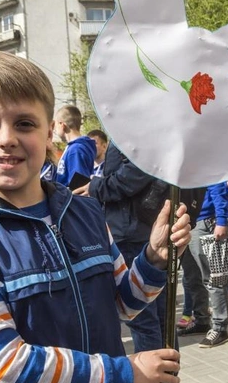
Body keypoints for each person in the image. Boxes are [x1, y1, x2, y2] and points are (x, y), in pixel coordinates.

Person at [0, 51, 191, 383]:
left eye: (24, 123)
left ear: (51, 131)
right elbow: (2, 370)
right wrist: (125, 374)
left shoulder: (86, 213)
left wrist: (154, 258)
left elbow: (121, 305)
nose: (7, 138)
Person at [74, 141, 174, 353]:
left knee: (144, 319)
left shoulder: (137, 127)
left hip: (132, 231)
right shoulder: (139, 126)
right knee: (159, 317)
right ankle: (165, 380)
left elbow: (137, 171)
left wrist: (96, 186)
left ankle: (155, 382)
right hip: (138, 228)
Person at [178, 182, 228, 348]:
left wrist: (221, 220)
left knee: (212, 278)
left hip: (203, 222)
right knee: (191, 278)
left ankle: (220, 327)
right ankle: (202, 320)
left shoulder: (202, 159)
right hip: (186, 222)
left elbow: (217, 186)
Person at [54, 105, 96, 186]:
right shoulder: (73, 148)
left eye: (55, 126)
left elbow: (78, 185)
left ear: (62, 125)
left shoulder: (76, 150)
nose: (54, 130)